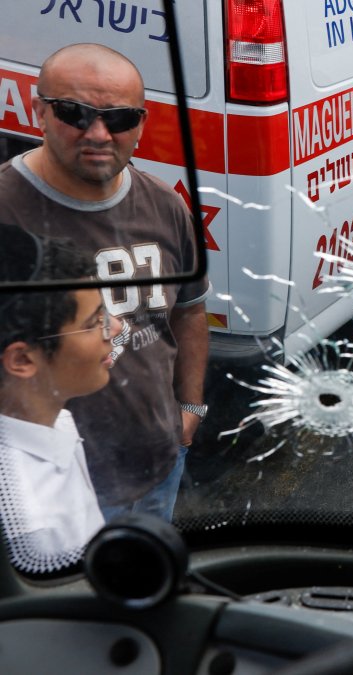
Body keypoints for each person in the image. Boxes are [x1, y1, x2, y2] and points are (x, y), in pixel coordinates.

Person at [0, 44, 209, 521]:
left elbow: (191, 311)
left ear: (140, 124)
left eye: (118, 118)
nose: (97, 134)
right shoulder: (5, 212)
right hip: (49, 491)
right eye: (74, 113)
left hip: (160, 464)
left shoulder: (164, 205)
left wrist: (190, 408)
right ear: (39, 111)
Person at [0, 228, 122, 570]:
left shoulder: (51, 420)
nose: (114, 327)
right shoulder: (36, 532)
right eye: (92, 322)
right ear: (22, 360)